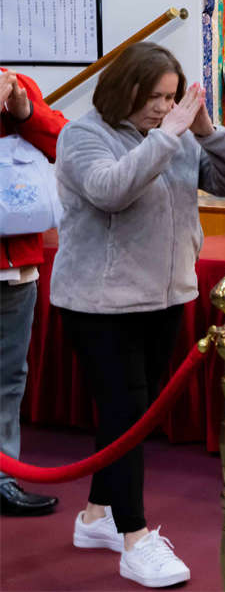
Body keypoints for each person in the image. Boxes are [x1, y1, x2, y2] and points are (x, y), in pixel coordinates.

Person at [49, 43, 225, 588]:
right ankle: (135, 539)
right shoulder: (83, 134)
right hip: (101, 304)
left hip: (166, 297)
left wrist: (208, 132)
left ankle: (96, 516)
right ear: (126, 89)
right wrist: (168, 137)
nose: (164, 108)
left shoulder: (177, 135)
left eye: (171, 97)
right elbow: (110, 191)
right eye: (155, 98)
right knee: (126, 415)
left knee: (132, 416)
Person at [0, 70, 66, 517]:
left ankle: (4, 476)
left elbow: (63, 145)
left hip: (16, 264)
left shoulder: (15, 82)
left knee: (8, 377)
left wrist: (24, 112)